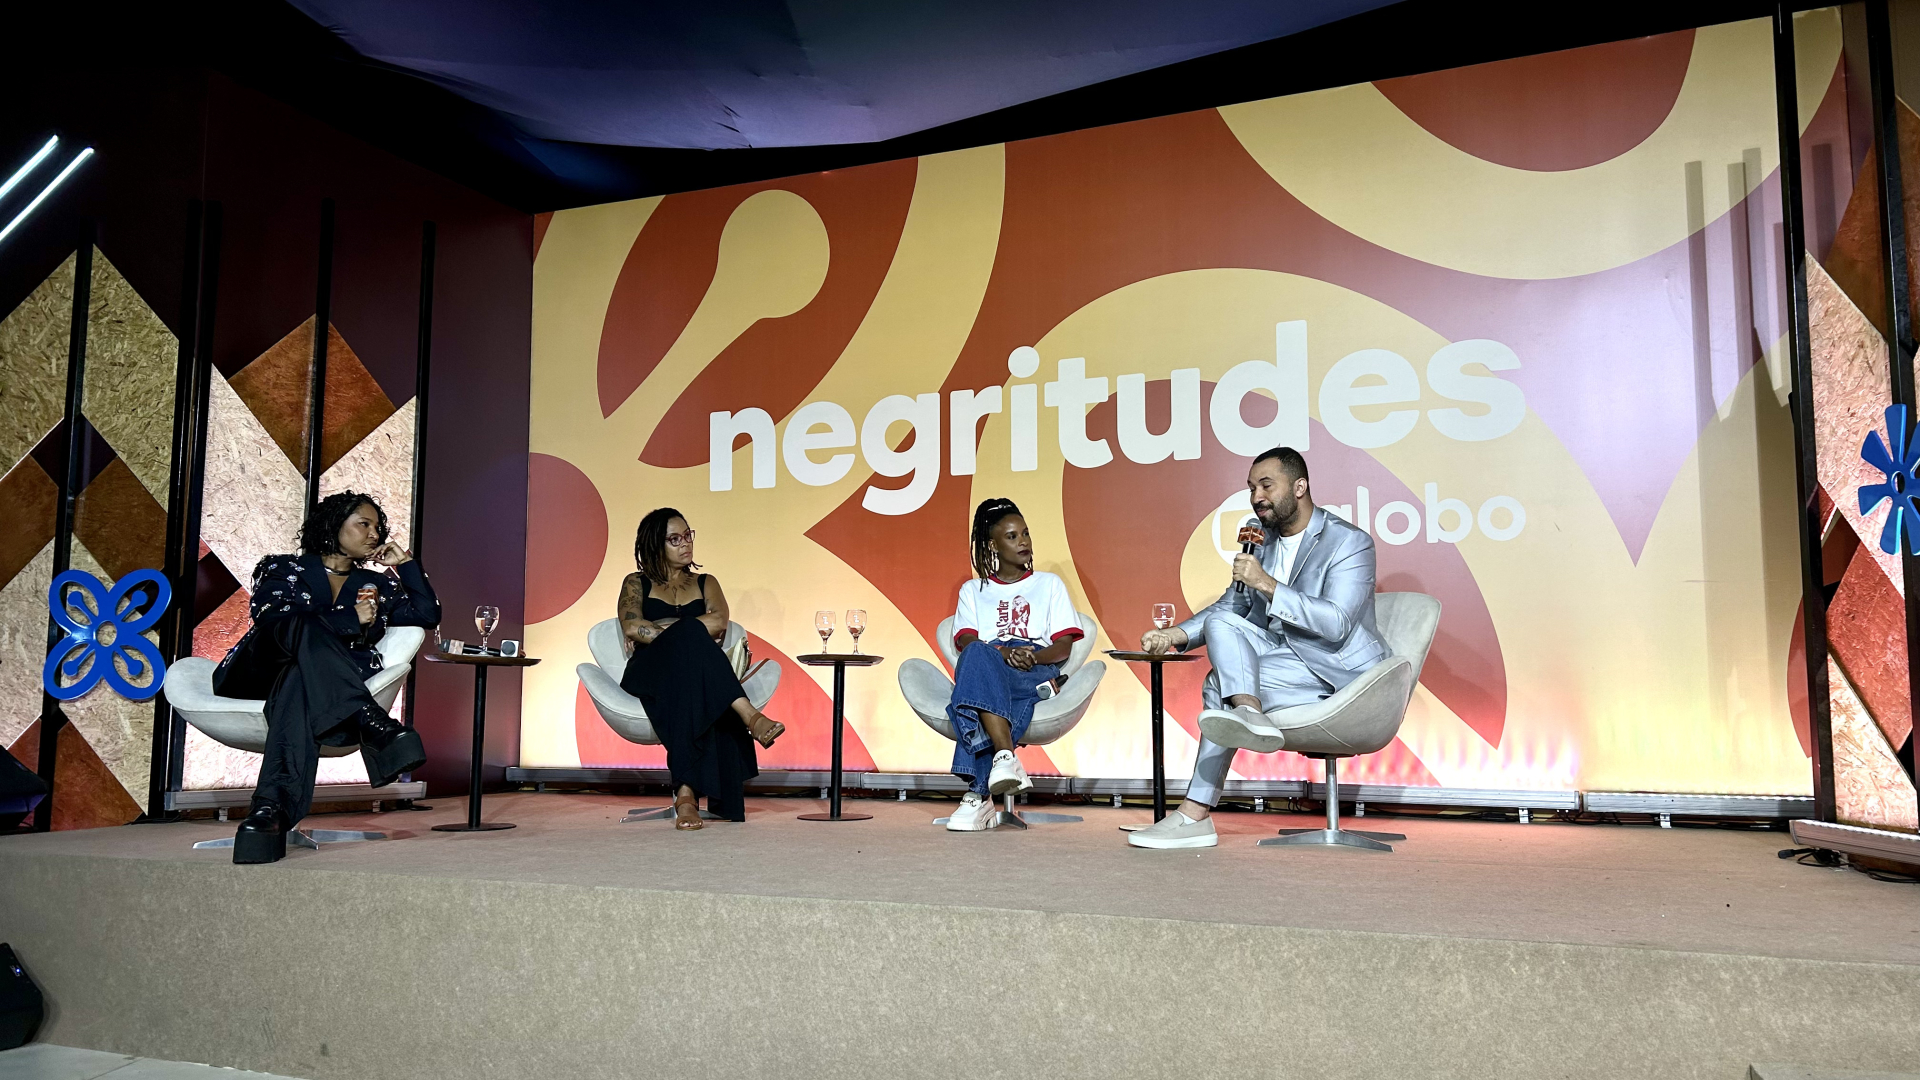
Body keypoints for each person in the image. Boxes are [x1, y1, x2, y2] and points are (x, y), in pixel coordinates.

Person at [1128, 447, 1386, 850]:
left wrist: (1265, 582)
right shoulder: (1259, 537)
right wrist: (1176, 635)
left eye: (1266, 486)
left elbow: (1337, 624)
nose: (1256, 497)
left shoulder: (1349, 542)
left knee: (1218, 686)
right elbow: (1231, 607)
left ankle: (1195, 814)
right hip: (1281, 656)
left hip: (1335, 670)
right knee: (1220, 623)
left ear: (1299, 487)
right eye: (1251, 488)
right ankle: (1248, 712)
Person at [213, 491, 438, 864]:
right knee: (300, 628)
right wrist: (351, 619)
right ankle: (369, 720)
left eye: (377, 527)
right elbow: (273, 620)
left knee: (300, 681)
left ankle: (269, 811)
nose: (374, 534)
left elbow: (427, 614)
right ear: (334, 525)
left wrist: (406, 564)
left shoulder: (377, 584)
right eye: (363, 524)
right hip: (261, 670)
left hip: (316, 686)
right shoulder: (283, 568)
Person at [618, 508, 784, 830]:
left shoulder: (706, 582)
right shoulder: (636, 582)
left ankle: (686, 796)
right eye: (675, 539)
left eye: (688, 535)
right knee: (692, 635)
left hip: (693, 672)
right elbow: (631, 626)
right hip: (650, 669)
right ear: (655, 545)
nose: (686, 544)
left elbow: (719, 622)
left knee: (689, 685)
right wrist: (687, 632)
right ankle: (749, 714)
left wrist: (670, 630)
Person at [941, 498, 1085, 832]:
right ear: (993, 545)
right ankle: (1005, 758)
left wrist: (1032, 656)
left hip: (1034, 665)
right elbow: (966, 641)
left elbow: (1063, 645)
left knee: (972, 696)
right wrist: (1002, 653)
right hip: (992, 661)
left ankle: (977, 796)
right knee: (978, 657)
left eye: (1025, 533)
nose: (1023, 542)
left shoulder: (1049, 584)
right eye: (1011, 536)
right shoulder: (973, 590)